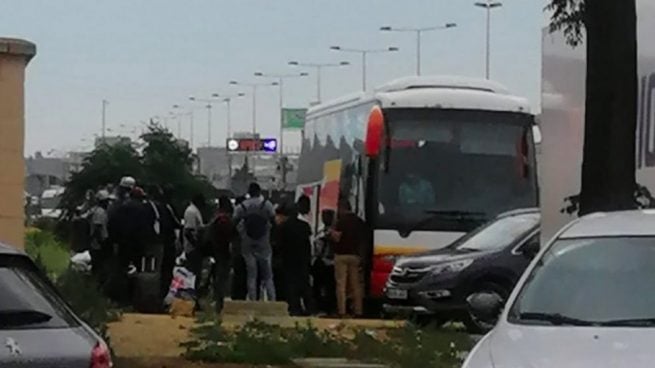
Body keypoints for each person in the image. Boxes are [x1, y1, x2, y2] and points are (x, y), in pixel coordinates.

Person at [233, 183, 276, 301]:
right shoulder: (266, 205)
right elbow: (274, 222)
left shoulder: (242, 206)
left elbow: (234, 223)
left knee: (251, 275)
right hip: (264, 243)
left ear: (249, 192)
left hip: (247, 243)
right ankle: (272, 299)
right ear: (259, 192)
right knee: (267, 275)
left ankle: (253, 300)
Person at [276, 201, 314, 316]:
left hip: (289, 260)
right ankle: (310, 308)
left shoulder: (283, 227)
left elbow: (279, 245)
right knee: (305, 285)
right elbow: (308, 245)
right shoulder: (304, 226)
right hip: (302, 259)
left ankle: (295, 308)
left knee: (291, 285)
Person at [330, 200, 367, 317]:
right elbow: (363, 240)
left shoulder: (341, 221)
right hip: (355, 256)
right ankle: (358, 311)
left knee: (341, 284)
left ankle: (342, 311)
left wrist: (331, 233)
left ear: (342, 208)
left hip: (341, 255)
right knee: (356, 285)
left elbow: (337, 238)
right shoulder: (359, 222)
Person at [206, 196, 237, 313]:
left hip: (216, 252)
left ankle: (217, 302)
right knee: (222, 279)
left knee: (217, 278)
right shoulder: (226, 220)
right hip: (224, 253)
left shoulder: (216, 218)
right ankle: (219, 303)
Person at [312, 209, 337, 315]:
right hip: (323, 262)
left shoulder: (334, 233)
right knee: (320, 286)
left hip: (330, 262)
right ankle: (321, 307)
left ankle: (329, 308)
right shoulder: (321, 231)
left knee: (330, 287)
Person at [183, 193, 207, 289]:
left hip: (195, 247)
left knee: (196, 274)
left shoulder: (195, 211)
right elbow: (188, 231)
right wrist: (196, 245)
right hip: (192, 248)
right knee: (193, 274)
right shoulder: (191, 212)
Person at [89, 190, 110, 281]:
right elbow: (97, 228)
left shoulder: (98, 211)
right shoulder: (100, 212)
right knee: (98, 266)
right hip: (98, 245)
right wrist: (102, 242)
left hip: (97, 243)